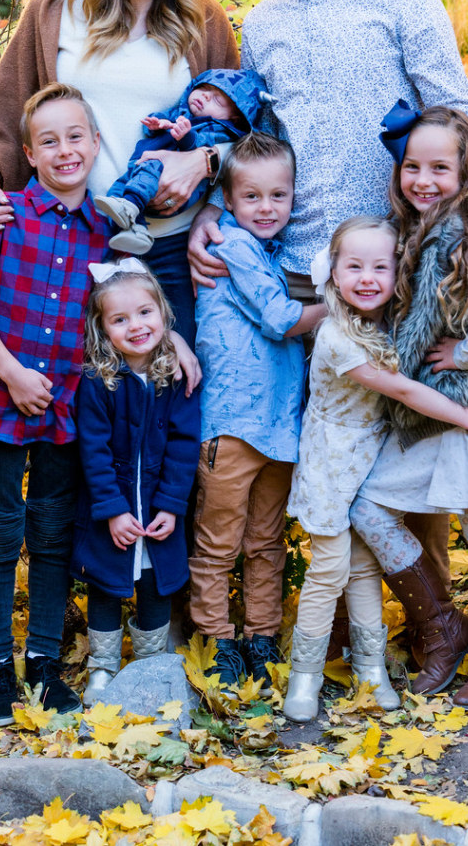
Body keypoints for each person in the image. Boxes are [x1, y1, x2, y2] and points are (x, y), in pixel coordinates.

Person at [188, 0, 468, 582]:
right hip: (306, 269)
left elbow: (456, 110)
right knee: (330, 450)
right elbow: (258, 143)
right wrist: (215, 210)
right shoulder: (263, 25)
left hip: (398, 263)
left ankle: (423, 629)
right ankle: (341, 620)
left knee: (412, 441)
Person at [0, 0, 239, 343]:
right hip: (67, 238)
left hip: (169, 245)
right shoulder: (52, 11)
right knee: (75, 396)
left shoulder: (204, 20)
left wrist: (205, 160)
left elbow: (244, 134)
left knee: (171, 396)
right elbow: (5, 121)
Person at [283, 216, 468, 722]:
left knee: (365, 569)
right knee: (329, 572)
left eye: (380, 267)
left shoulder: (382, 324)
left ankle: (371, 670)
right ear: (333, 275)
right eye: (354, 267)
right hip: (331, 469)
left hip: (368, 463)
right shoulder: (339, 337)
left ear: (396, 274)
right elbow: (405, 390)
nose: (368, 278)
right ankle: (306, 677)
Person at [350, 106, 468, 709]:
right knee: (369, 505)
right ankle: (445, 627)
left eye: (439, 169)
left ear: (467, 173)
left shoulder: (461, 232)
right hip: (432, 415)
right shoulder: (421, 231)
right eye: (412, 167)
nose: (423, 179)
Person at [0, 84, 112, 727]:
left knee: (49, 535)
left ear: (96, 144)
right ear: (29, 154)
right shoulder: (4, 216)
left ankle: (42, 663)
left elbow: (125, 314)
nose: (65, 150)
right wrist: (12, 372)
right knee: (0, 532)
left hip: (67, 407)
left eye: (77, 136)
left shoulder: (108, 234)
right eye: (49, 141)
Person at [190, 132, 326, 692]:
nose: (266, 209)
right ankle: (216, 640)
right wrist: (337, 306)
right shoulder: (233, 247)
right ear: (228, 199)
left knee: (267, 540)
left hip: (279, 427)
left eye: (278, 196)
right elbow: (277, 317)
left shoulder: (274, 251)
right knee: (219, 539)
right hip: (232, 425)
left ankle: (261, 636)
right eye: (251, 197)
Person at [72, 260, 199, 705]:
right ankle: (103, 670)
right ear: (103, 329)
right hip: (113, 509)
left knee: (155, 586)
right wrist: (112, 510)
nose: (136, 326)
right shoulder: (97, 381)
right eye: (120, 319)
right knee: (106, 584)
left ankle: (149, 669)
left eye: (145, 313)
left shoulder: (176, 377)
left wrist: (170, 505)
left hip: (159, 510)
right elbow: (93, 450)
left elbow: (185, 446)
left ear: (163, 313)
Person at [96, 68, 266, 255]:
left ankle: (131, 210)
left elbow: (200, 145)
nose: (206, 97)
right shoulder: (183, 112)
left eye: (217, 99)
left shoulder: (218, 129)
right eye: (204, 88)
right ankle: (136, 232)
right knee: (117, 193)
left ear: (234, 117)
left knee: (148, 173)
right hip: (139, 171)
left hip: (166, 178)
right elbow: (165, 121)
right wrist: (158, 124)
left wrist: (186, 137)